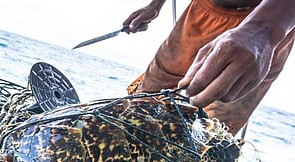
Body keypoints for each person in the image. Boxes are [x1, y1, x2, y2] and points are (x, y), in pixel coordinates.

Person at [123, 0, 295, 136]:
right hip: (201, 13)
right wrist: (154, 5)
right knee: (140, 106)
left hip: (270, 26)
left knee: (215, 132)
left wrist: (266, 28)